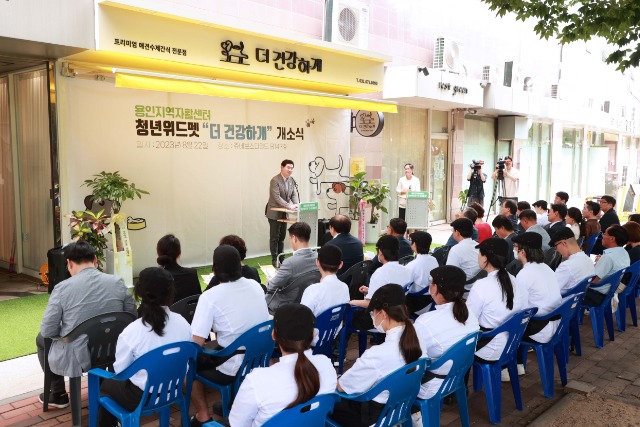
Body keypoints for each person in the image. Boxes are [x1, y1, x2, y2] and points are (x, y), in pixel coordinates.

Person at [37, 240, 137, 408]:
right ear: (95, 261)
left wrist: (66, 334)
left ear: (69, 263)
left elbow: (48, 330)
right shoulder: (117, 282)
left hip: (78, 355)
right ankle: (101, 385)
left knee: (41, 339)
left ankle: (58, 393)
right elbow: (131, 316)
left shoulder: (62, 288)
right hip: (113, 349)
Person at [98, 268, 191, 427]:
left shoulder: (131, 332)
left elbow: (120, 372)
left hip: (142, 397)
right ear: (170, 293)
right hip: (173, 391)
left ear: (140, 292)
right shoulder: (183, 323)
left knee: (104, 384)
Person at [190, 245, 269, 426]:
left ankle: (203, 415)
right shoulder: (255, 285)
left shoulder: (210, 297)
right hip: (259, 357)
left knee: (188, 364)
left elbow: (196, 343)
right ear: (240, 266)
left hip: (233, 365)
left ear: (214, 270)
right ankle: (236, 403)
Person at [228, 304, 337, 427]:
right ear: (313, 335)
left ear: (273, 335)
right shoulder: (326, 364)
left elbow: (237, 424)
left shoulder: (257, 381)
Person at [331, 284, 423, 427]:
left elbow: (342, 387)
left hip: (374, 416)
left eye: (373, 312)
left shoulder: (377, 355)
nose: (373, 316)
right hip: (401, 406)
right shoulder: (419, 338)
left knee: (324, 403)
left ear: (383, 314)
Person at [414, 266, 479, 399]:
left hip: (432, 385)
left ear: (436, 288)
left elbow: (409, 356)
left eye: (431, 282)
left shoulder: (426, 322)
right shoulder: (470, 314)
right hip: (456, 377)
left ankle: (416, 415)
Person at [507, 232, 561, 380]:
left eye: (515, 247)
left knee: (505, 325)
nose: (514, 250)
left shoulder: (525, 274)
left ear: (523, 252)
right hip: (555, 323)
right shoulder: (546, 268)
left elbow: (520, 310)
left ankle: (507, 369)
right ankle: (518, 365)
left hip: (541, 327)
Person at [467, 238, 525, 363]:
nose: (478, 257)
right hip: (511, 343)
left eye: (480, 253)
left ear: (485, 258)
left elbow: (469, 319)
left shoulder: (482, 285)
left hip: (489, 346)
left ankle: (460, 382)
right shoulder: (512, 279)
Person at [265, 222, 319, 313]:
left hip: (286, 303)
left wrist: (269, 281)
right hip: (308, 300)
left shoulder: (289, 263)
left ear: (294, 238)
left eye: (290, 238)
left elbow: (272, 286)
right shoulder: (318, 257)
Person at [352, 235, 412, 311]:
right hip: (400, 312)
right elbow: (393, 292)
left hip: (382, 315)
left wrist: (351, 302)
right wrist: (370, 290)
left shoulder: (380, 273)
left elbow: (369, 303)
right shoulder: (407, 270)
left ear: (380, 252)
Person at [582, 225, 630, 307]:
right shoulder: (623, 252)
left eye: (604, 234)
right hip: (610, 292)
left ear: (612, 239)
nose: (602, 236)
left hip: (597, 295)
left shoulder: (608, 258)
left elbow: (593, 281)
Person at [300, 245, 350, 322]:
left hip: (314, 333)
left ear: (317, 262)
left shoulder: (312, 290)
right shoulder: (344, 287)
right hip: (335, 331)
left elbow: (302, 320)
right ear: (340, 265)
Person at [266, 159, 299, 267]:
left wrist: (297, 204)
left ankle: (282, 259)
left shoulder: (291, 180)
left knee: (282, 237)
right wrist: (289, 206)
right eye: (288, 167)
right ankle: (275, 259)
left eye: (291, 168)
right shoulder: (275, 180)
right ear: (281, 167)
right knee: (275, 237)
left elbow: (293, 194)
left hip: (284, 213)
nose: (290, 170)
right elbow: (276, 197)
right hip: (274, 212)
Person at [156, 234, 202, 303]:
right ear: (179, 253)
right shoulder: (192, 273)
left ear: (158, 253)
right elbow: (198, 299)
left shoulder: (156, 278)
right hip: (190, 313)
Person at [551, 228, 595, 294]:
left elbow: (550, 290)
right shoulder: (588, 260)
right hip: (577, 299)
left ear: (564, 243)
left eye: (556, 246)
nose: (556, 250)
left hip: (563, 302)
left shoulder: (567, 266)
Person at [405, 231, 439, 314]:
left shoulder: (412, 265)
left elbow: (404, 286)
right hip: (432, 300)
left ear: (414, 244)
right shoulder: (434, 260)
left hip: (417, 303)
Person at [446, 218, 480, 282]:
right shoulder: (478, 246)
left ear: (457, 233)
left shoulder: (456, 250)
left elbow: (449, 273)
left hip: (465, 287)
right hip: (479, 283)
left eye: (453, 230)